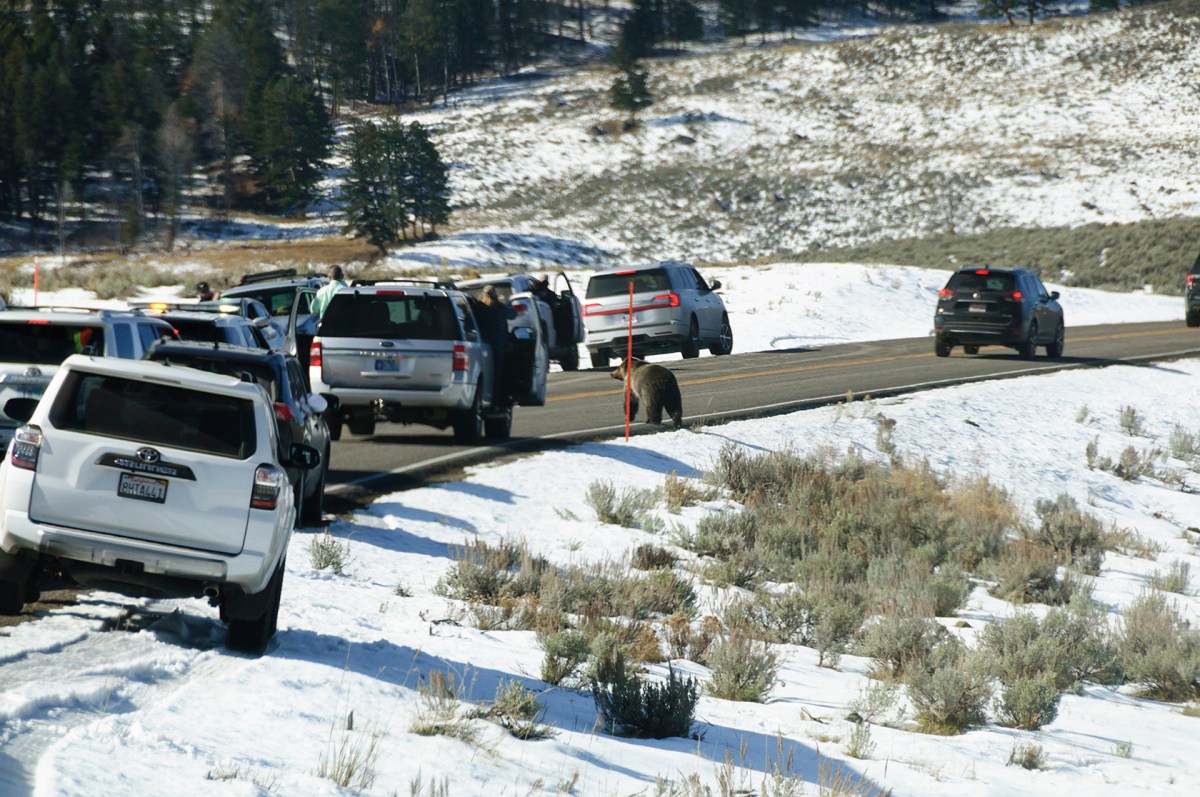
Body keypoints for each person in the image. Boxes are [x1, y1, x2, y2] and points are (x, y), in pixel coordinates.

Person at [478, 285, 516, 400]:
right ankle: (496, 401)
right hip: (498, 345)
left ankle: (484, 398)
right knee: (497, 375)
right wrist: (505, 303)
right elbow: (513, 314)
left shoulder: (479, 307)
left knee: (484, 374)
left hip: (483, 345)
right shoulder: (499, 307)